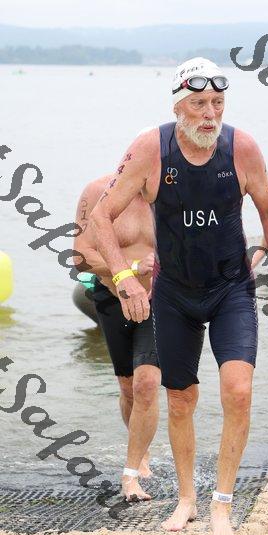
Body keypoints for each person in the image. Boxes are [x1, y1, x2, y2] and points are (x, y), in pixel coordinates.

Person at [90, 57, 268, 535]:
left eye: (218, 103)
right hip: (174, 294)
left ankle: (222, 505)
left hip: (231, 289)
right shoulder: (151, 148)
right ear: (178, 106)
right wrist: (123, 277)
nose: (210, 114)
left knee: (238, 391)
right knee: (180, 399)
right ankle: (187, 498)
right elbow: (101, 216)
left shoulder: (242, 147)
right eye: (199, 103)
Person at [73, 174, 161, 500]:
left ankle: (131, 471)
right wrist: (132, 268)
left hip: (159, 301)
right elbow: (80, 257)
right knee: (128, 387)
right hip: (113, 296)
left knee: (147, 384)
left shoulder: (169, 193)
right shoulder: (99, 192)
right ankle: (143, 451)